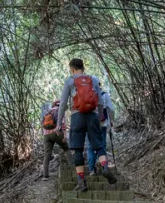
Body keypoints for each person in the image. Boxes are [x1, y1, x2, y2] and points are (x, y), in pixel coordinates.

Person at [57, 58, 117, 191]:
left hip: (77, 116)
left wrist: (58, 124)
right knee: (98, 145)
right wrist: (99, 116)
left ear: (72, 69)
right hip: (93, 116)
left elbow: (62, 104)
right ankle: (105, 167)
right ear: (83, 68)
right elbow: (100, 102)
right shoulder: (93, 80)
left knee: (78, 149)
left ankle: (81, 182)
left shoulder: (70, 81)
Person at [38, 98, 66, 179]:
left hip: (46, 135)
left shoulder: (48, 111)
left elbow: (42, 123)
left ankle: (45, 176)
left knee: (47, 155)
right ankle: (73, 168)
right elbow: (63, 125)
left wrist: (45, 133)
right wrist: (64, 135)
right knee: (67, 149)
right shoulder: (60, 111)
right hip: (56, 133)